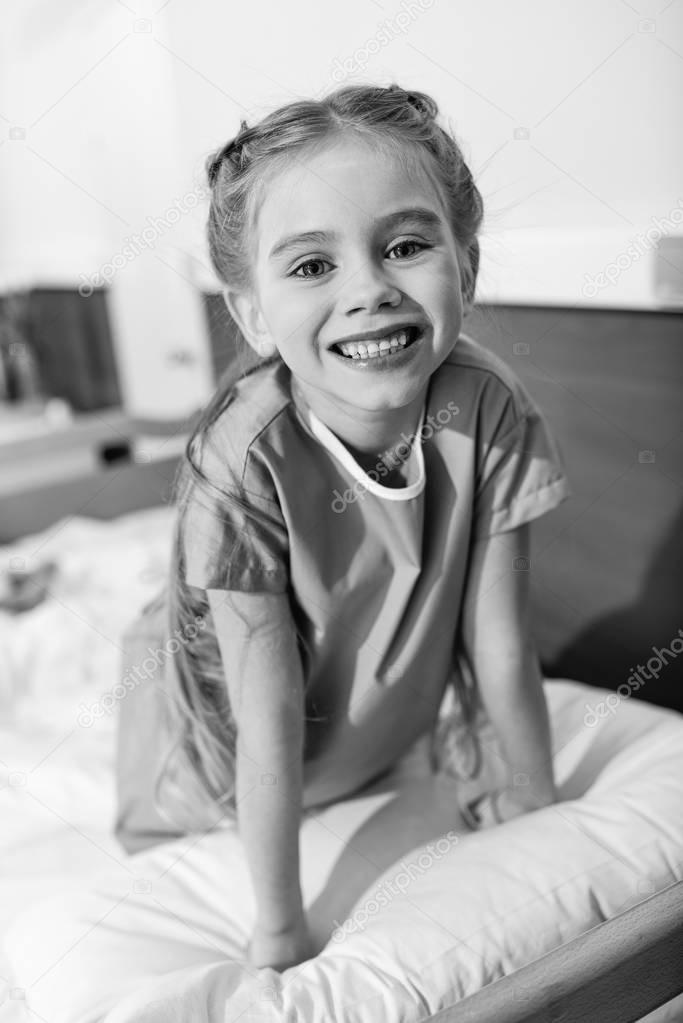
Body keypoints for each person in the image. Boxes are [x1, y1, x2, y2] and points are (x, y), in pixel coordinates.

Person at [6, 83, 572, 1015]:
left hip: (373, 729)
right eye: (311, 265)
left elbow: (501, 638)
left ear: (464, 266)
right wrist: (278, 928)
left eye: (405, 245)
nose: (368, 288)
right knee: (172, 668)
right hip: (217, 749)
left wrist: (542, 804)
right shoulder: (243, 460)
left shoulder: (489, 407)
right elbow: (262, 718)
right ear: (253, 313)